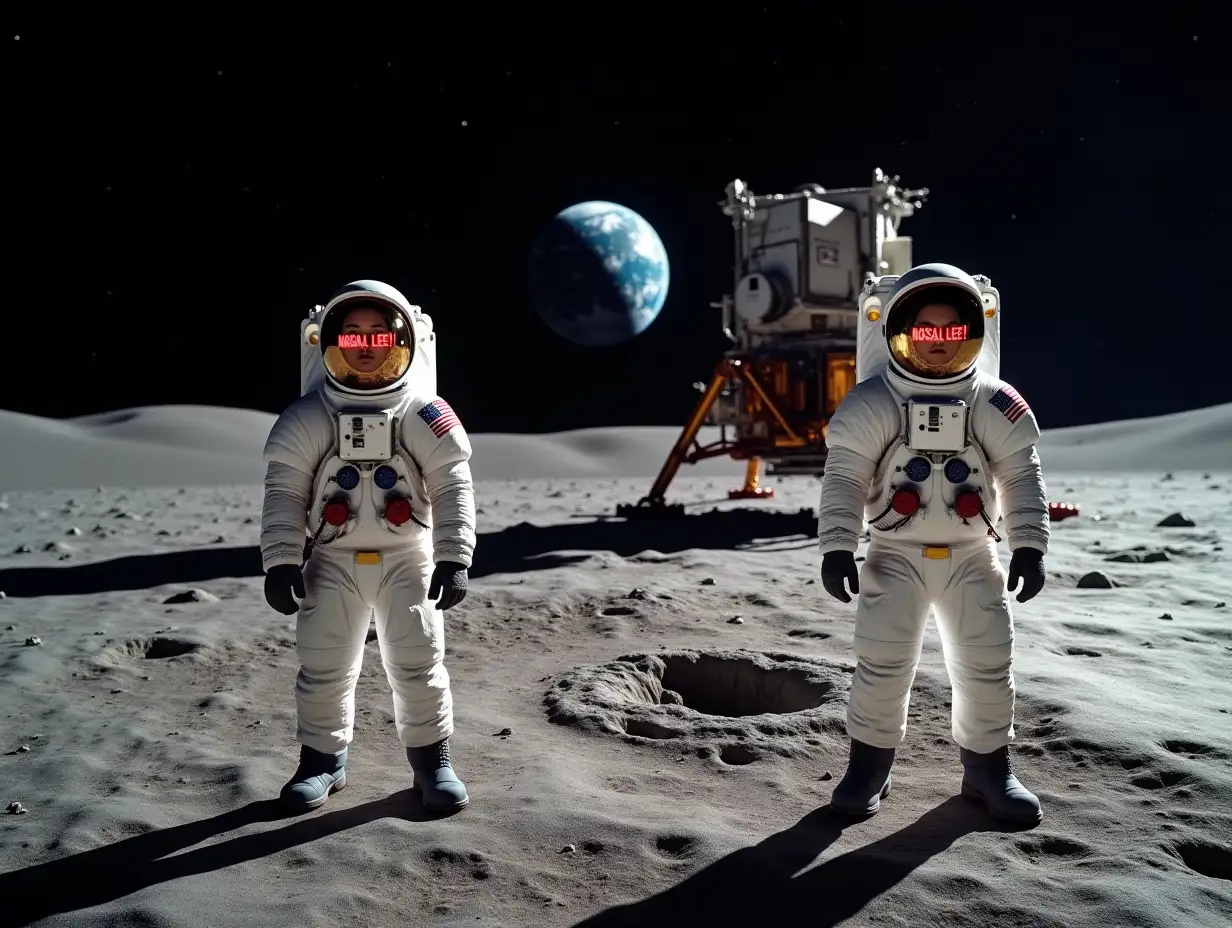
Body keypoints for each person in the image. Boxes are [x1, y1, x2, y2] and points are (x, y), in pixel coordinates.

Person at [817, 263, 1049, 826]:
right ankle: (868, 766)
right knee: (882, 660)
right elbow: (845, 478)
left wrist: (1029, 544)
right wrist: (837, 546)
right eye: (926, 331)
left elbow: (1020, 474)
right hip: (896, 555)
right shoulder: (873, 401)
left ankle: (988, 768)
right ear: (898, 331)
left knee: (987, 661)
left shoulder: (993, 401)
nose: (939, 344)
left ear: (972, 330)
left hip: (972, 555)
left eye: (951, 331)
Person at [259, 279, 476, 814]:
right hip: (333, 560)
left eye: (378, 335)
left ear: (403, 341)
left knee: (419, 660)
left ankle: (434, 763)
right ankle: (321, 763)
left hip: (408, 557)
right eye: (352, 334)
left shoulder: (425, 413)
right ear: (328, 342)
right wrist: (281, 559)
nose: (365, 345)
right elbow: (285, 492)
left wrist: (454, 556)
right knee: (324, 660)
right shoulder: (309, 416)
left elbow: (452, 483)